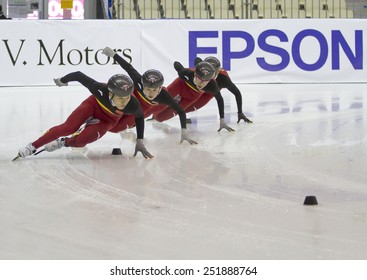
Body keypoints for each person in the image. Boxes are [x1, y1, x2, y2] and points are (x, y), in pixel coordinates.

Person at [16, 72, 153, 159]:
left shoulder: (132, 103)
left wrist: (140, 140)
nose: (124, 102)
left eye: (127, 98)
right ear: (110, 93)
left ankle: (63, 142)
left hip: (108, 120)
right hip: (92, 106)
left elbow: (140, 117)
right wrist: (62, 80)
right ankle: (32, 146)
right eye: (121, 98)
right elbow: (78, 75)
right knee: (68, 128)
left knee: (82, 140)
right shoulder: (99, 89)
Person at [102, 47, 197, 144]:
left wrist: (184, 131)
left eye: (154, 90)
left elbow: (180, 111)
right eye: (148, 89)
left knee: (117, 128)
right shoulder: (139, 81)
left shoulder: (164, 96)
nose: (151, 93)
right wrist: (114, 55)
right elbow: (128, 67)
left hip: (144, 109)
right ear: (143, 85)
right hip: (132, 101)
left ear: (160, 89)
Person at [153, 61, 234, 132]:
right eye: (199, 79)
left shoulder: (212, 86)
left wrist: (222, 120)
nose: (201, 84)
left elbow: (220, 99)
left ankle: (156, 115)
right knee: (157, 105)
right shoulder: (186, 73)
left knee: (160, 118)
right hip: (180, 85)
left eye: (205, 82)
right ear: (195, 74)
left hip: (191, 96)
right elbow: (176, 64)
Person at [187, 56, 252, 124]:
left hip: (212, 90)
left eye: (211, 73)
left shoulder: (224, 79)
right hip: (202, 84)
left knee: (193, 106)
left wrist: (240, 112)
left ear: (217, 73)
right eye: (206, 72)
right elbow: (197, 60)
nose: (207, 74)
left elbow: (236, 93)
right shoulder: (201, 72)